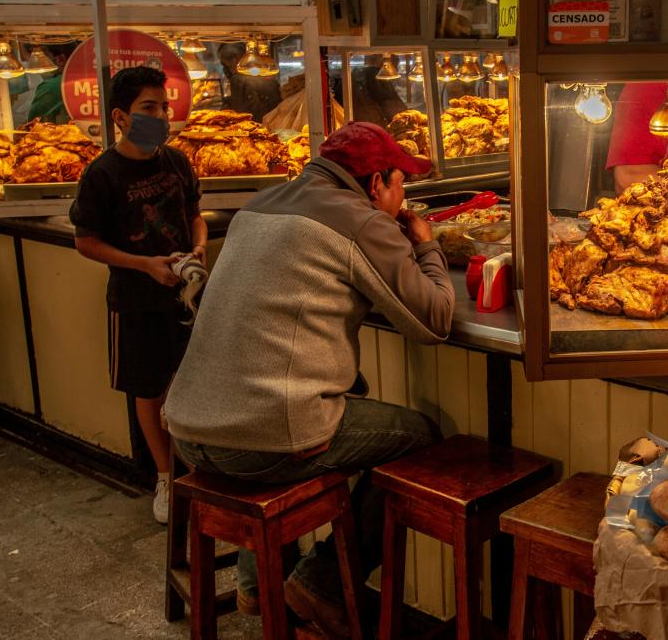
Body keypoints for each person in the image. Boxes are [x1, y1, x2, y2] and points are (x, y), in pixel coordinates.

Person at [164, 122, 452, 634]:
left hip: (187, 431)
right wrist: (425, 246)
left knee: (340, 394)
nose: (404, 194)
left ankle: (257, 586)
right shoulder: (362, 220)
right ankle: (318, 583)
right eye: (401, 182)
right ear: (376, 183)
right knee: (421, 438)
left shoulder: (259, 204)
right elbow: (434, 320)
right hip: (256, 443)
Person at [69, 66, 206, 524]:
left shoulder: (178, 163)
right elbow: (86, 242)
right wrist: (145, 265)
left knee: (189, 384)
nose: (161, 116)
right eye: (149, 108)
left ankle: (197, 471)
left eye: (164, 108)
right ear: (120, 116)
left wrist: (200, 248)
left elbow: (195, 215)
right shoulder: (102, 174)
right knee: (149, 391)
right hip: (134, 300)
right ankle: (166, 478)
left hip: (186, 295)